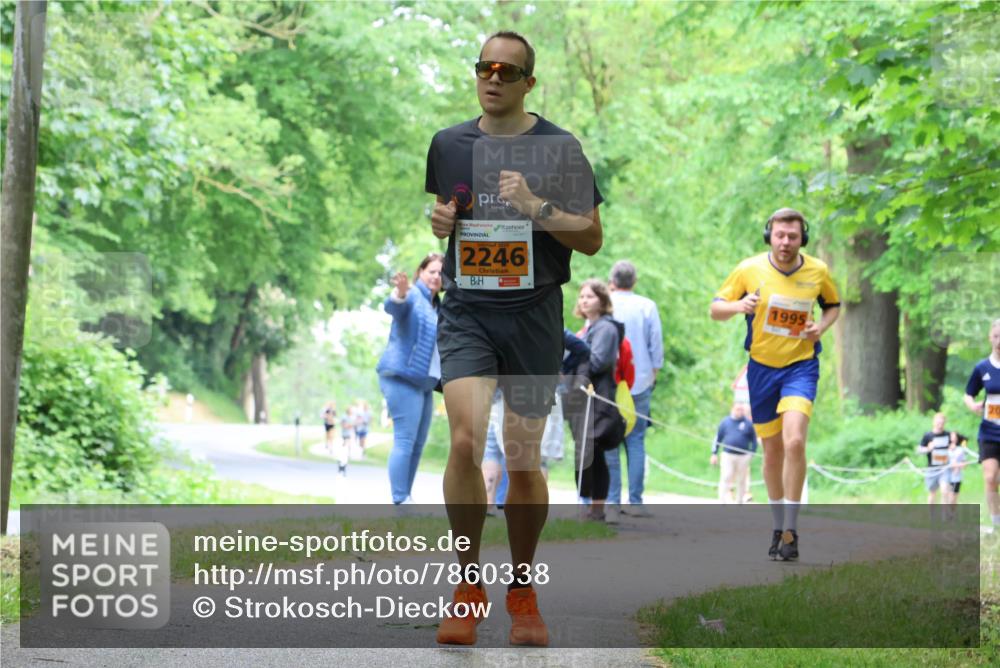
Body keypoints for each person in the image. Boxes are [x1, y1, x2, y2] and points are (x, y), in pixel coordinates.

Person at [426, 30, 604, 646]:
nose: (493, 77)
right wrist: (442, 222)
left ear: (529, 81)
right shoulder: (449, 144)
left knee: (523, 458)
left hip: (532, 314)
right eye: (485, 67)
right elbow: (449, 215)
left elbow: (590, 237)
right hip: (468, 311)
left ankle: (522, 588)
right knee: (465, 440)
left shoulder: (559, 148)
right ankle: (467, 584)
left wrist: (534, 205)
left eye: (508, 70)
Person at [710, 207, 840, 561]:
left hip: (801, 366)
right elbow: (715, 309)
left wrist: (820, 328)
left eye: (793, 236)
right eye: (780, 235)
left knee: (794, 440)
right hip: (761, 368)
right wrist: (739, 306)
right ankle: (776, 521)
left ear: (803, 239)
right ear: (770, 235)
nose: (786, 242)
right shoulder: (749, 269)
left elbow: (833, 306)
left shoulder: (817, 271)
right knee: (771, 451)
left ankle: (791, 530)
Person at [376, 253, 444, 504]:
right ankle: (399, 498)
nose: (436, 276)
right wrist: (400, 293)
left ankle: (405, 497)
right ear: (420, 272)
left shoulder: (438, 306)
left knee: (417, 444)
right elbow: (394, 307)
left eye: (440, 273)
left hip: (424, 382)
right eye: (432, 271)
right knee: (405, 439)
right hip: (402, 377)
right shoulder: (414, 294)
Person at [605, 260, 663, 517]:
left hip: (610, 382)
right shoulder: (647, 306)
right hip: (639, 381)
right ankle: (636, 500)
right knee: (636, 440)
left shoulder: (606, 303)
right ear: (634, 282)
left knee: (610, 441)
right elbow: (656, 343)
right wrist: (654, 372)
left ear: (612, 281)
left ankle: (612, 499)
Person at [564, 280, 622, 523]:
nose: (584, 300)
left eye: (590, 296)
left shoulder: (606, 328)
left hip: (598, 398)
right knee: (587, 452)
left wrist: (574, 349)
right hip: (582, 398)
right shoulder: (589, 328)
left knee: (594, 451)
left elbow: (598, 362)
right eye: (582, 296)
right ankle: (589, 507)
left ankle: (596, 509)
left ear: (602, 300)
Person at [964, 318, 1000, 535]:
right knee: (990, 476)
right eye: (996, 336)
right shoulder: (982, 367)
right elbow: (968, 394)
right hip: (989, 431)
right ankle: (996, 524)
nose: (999, 341)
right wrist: (972, 405)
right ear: (990, 338)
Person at [710, 403, 758, 504]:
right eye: (737, 409)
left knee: (742, 480)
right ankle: (722, 500)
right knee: (726, 476)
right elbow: (718, 438)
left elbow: (754, 440)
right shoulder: (725, 422)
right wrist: (714, 453)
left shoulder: (748, 424)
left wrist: (751, 454)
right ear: (732, 409)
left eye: (741, 410)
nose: (740, 411)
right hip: (728, 455)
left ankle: (739, 501)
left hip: (743, 456)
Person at [918, 412, 954, 508]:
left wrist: (952, 447)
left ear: (944, 423)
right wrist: (928, 449)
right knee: (932, 493)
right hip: (932, 469)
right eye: (938, 423)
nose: (940, 425)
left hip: (944, 468)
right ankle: (931, 515)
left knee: (944, 491)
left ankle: (944, 516)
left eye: (942, 423)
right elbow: (919, 450)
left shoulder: (948, 434)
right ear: (933, 422)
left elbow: (955, 446)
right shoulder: (928, 435)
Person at [946, 430, 970, 517]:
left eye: (954, 437)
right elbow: (940, 462)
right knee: (948, 494)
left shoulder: (961, 450)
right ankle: (947, 513)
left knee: (954, 496)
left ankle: (952, 513)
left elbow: (965, 464)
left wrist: (959, 466)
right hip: (946, 476)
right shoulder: (945, 449)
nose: (952, 439)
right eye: (951, 437)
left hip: (956, 477)